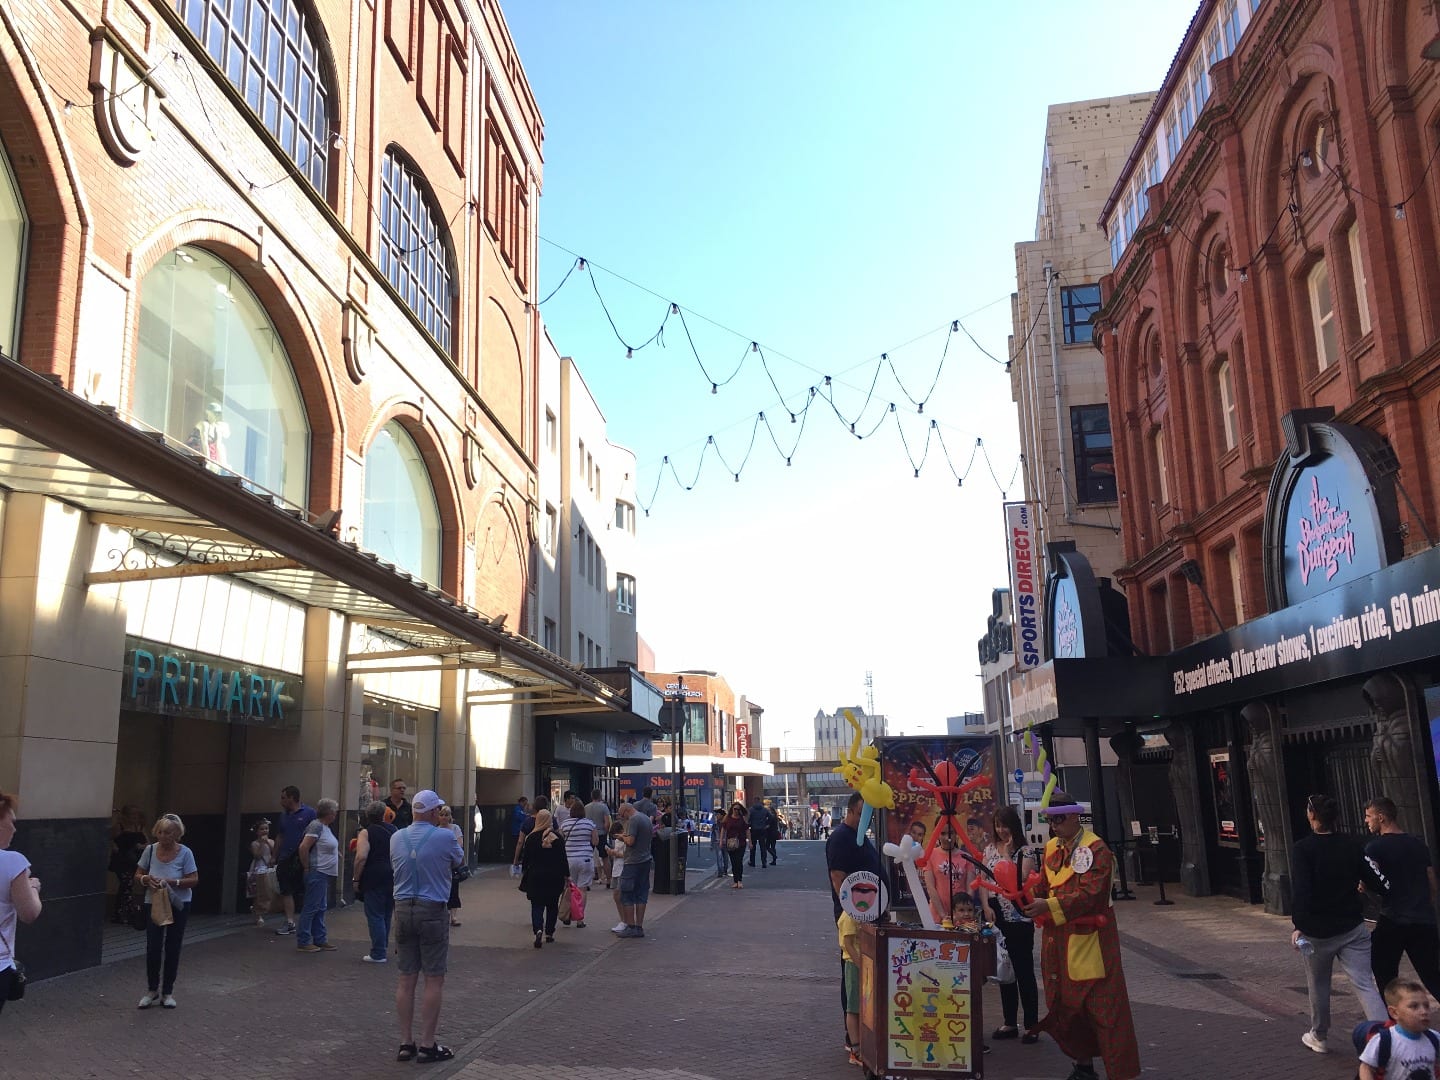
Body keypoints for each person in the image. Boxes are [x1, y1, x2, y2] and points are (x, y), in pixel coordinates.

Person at [1019, 790, 1140, 1080]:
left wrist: (1047, 904)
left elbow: (1092, 894)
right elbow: (1047, 885)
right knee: (1068, 1009)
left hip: (1091, 940)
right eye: (1050, 820)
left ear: (1074, 816)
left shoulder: (1097, 849)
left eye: (1059, 819)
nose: (1054, 826)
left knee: (1105, 1010)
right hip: (1058, 941)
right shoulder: (1051, 848)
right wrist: (1025, 895)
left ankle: (1120, 1073)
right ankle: (1084, 1067)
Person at [1291, 792, 1388, 1054]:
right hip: (1351, 926)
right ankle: (1385, 1038)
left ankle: (1319, 1035)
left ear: (1312, 815)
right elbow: (1376, 878)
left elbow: (1302, 891)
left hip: (1317, 931)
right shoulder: (1352, 844)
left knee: (1319, 984)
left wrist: (1299, 924)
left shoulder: (1302, 849)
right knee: (1365, 983)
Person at [391, 789, 464, 1064]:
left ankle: (405, 1042)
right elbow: (459, 860)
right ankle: (427, 1044)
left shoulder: (396, 837)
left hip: (402, 909)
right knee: (434, 978)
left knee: (406, 978)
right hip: (432, 909)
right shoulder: (444, 836)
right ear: (434, 812)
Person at [1363, 796, 1440, 1001]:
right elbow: (1432, 882)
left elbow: (1369, 882)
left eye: (1369, 816)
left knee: (1384, 973)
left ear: (1381, 817)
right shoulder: (1418, 844)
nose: (1366, 821)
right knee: (1433, 975)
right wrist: (1425, 904)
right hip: (1423, 920)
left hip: (1393, 919)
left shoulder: (1374, 848)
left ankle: (1395, 1021)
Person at [827, 792, 880, 1064]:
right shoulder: (840, 838)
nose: (865, 819)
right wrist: (855, 913)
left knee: (865, 984)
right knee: (853, 984)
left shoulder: (860, 836)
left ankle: (863, 1037)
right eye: (862, 814)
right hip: (855, 920)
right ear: (850, 811)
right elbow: (839, 879)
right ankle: (853, 1042)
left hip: (869, 916)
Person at [985, 804, 1041, 1045]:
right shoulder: (989, 849)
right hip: (997, 916)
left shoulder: (1026, 852)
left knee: (1024, 971)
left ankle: (1032, 1025)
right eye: (998, 825)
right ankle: (1010, 1021)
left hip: (1020, 916)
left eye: (1005, 825)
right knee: (1004, 971)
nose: (1001, 830)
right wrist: (986, 907)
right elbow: (984, 879)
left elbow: (1019, 880)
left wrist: (1007, 854)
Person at [135, 814, 198, 1009]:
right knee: (153, 946)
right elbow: (138, 873)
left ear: (177, 834)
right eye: (160, 832)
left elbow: (194, 879)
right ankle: (152, 990)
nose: (163, 836)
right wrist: (146, 880)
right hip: (154, 901)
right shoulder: (150, 850)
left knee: (173, 946)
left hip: (178, 902)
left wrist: (173, 882)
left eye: (167, 832)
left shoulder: (185, 852)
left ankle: (168, 992)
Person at [0, 790, 42, 1016]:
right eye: (11, 822)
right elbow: (29, 913)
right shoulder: (12, 862)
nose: (15, 829)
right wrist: (33, 887)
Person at [1358, 977, 1439, 1080]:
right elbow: (1366, 1067)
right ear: (1394, 1013)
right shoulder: (1384, 1040)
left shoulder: (1434, 1039)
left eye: (1426, 1006)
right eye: (1414, 1006)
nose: (1424, 1011)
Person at [352, 800, 396, 963]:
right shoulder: (394, 830)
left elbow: (361, 856)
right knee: (386, 913)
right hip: (392, 875)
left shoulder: (366, 832)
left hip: (374, 875)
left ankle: (378, 952)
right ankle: (382, 947)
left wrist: (356, 878)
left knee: (375, 914)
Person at [296, 798, 340, 953]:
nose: (335, 814)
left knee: (320, 907)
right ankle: (304, 940)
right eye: (334, 811)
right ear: (328, 813)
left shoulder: (325, 827)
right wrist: (307, 867)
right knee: (311, 906)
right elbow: (304, 847)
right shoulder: (316, 826)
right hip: (317, 871)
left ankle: (320, 938)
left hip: (323, 872)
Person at [520, 809, 569, 947]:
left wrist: (524, 871)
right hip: (554, 877)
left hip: (536, 876)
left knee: (536, 905)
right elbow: (563, 859)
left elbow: (526, 859)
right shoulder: (558, 838)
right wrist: (567, 875)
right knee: (552, 905)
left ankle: (538, 930)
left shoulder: (531, 838)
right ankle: (549, 933)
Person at [272, 785, 315, 936]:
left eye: (283, 797)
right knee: (286, 889)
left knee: (305, 888)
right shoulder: (283, 816)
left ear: (292, 797)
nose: (281, 801)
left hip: (302, 857)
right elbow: (280, 835)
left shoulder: (309, 813)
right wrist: (274, 855)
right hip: (285, 857)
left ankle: (307, 922)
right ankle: (290, 921)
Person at [922, 825, 972, 927]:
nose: (946, 838)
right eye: (942, 833)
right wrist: (943, 916)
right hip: (936, 916)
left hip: (961, 918)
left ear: (956, 834)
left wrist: (962, 913)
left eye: (950, 833)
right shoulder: (929, 855)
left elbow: (970, 889)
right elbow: (931, 888)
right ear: (937, 835)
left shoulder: (967, 858)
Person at [616, 802, 653, 937]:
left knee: (627, 894)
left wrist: (621, 837)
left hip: (632, 862)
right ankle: (639, 927)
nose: (623, 818)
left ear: (626, 811)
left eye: (622, 815)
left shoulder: (633, 820)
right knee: (641, 895)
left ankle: (631, 926)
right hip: (646, 860)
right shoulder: (645, 818)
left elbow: (631, 841)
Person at [108, 804, 147, 926]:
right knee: (127, 883)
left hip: (134, 860)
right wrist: (114, 846)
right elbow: (109, 839)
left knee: (127, 886)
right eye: (132, 815)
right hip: (122, 859)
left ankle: (120, 912)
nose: (134, 818)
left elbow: (148, 843)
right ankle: (129, 912)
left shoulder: (139, 827)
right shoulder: (119, 827)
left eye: (137, 815)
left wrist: (142, 846)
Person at [837, 911, 864, 1067]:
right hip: (854, 965)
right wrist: (860, 964)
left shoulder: (863, 913)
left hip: (863, 962)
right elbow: (848, 943)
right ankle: (856, 1050)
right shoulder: (849, 916)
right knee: (853, 1007)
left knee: (861, 1006)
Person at [560, 803, 598, 897]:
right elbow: (595, 842)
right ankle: (580, 911)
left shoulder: (565, 824)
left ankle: (570, 911)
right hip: (585, 859)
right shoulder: (590, 824)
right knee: (582, 890)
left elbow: (560, 841)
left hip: (569, 859)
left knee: (570, 887)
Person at [436, 805, 465, 927]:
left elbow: (459, 844)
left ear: (450, 817)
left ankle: (454, 916)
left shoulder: (455, 828)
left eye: (446, 815)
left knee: (453, 889)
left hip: (452, 863)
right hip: (440, 863)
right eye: (441, 815)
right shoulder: (435, 829)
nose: (444, 817)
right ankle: (444, 914)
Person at [247, 819, 274, 925]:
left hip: (268, 867)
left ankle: (260, 909)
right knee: (258, 891)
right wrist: (262, 844)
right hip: (259, 867)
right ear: (257, 831)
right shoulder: (255, 843)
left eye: (266, 828)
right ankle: (258, 915)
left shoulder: (271, 841)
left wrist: (267, 842)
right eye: (262, 829)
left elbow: (274, 851)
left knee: (268, 890)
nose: (264, 831)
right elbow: (257, 855)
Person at [718, 802, 749, 888]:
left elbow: (747, 830)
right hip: (730, 843)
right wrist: (721, 841)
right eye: (735, 809)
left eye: (738, 809)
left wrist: (750, 842)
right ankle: (735, 881)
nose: (736, 811)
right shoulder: (727, 818)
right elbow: (723, 830)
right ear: (732, 809)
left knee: (739, 861)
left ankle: (739, 881)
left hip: (741, 843)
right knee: (733, 862)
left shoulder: (742, 818)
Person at [747, 799, 773, 868]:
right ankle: (764, 862)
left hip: (754, 829)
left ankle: (752, 862)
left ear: (754, 802)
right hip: (762, 829)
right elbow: (771, 817)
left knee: (753, 847)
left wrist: (750, 824)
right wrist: (767, 824)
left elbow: (748, 819)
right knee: (763, 847)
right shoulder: (764, 810)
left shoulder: (751, 809)